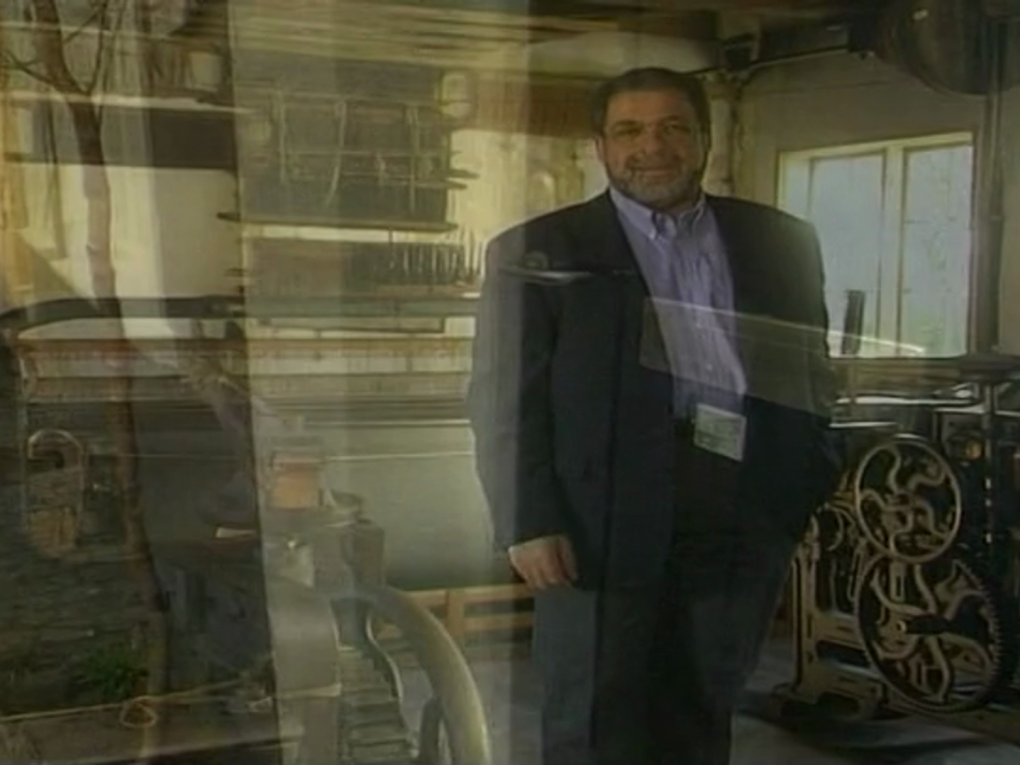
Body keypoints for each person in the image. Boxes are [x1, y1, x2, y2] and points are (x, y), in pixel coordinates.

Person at [467, 67, 839, 765]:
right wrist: (528, 519)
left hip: (741, 509)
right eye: (630, 130)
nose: (652, 147)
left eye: (673, 128)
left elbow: (811, 369)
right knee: (594, 716)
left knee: (703, 707)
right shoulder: (537, 250)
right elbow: (503, 397)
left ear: (704, 138)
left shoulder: (781, 239)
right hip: (598, 515)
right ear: (601, 147)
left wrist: (802, 480)